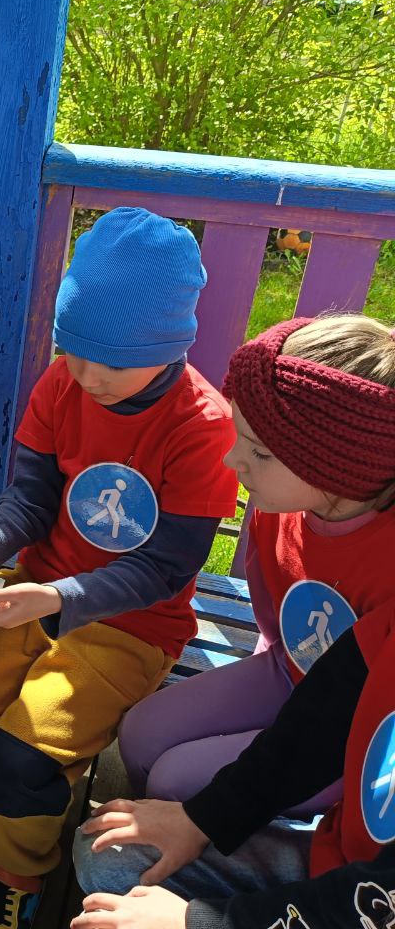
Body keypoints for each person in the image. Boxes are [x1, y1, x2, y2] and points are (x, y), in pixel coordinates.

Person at [0, 207, 239, 929]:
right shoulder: (63, 385)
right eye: (72, 351)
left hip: (133, 627)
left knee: (15, 765)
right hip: (30, 596)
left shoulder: (202, 426)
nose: (86, 376)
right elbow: (28, 504)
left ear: (170, 344)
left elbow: (165, 569)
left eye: (110, 362)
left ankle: (16, 867)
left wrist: (55, 598)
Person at [117, 315, 395, 817]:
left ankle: (209, 851)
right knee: (139, 735)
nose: (232, 461)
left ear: (338, 463)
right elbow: (273, 617)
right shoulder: (280, 508)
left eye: (260, 453)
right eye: (238, 435)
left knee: (176, 781)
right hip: (288, 671)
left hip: (355, 732)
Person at [72, 604, 395, 929]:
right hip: (336, 860)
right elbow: (320, 722)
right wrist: (202, 819)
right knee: (105, 852)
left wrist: (199, 922)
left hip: (363, 910)